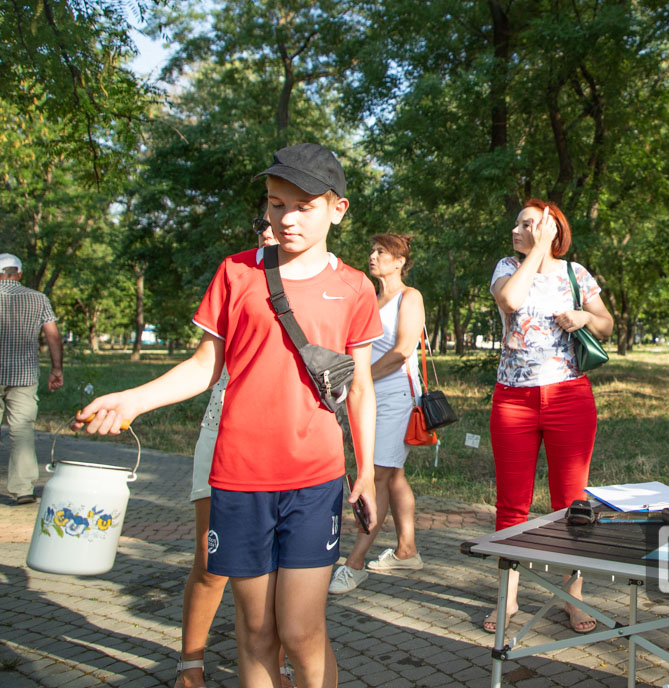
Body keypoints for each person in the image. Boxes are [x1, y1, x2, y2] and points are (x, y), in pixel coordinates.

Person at [77, 143, 382, 688]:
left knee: (300, 630)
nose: (286, 219)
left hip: (314, 478)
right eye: (275, 204)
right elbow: (203, 367)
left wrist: (367, 471)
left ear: (338, 209)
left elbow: (359, 387)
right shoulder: (236, 273)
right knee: (257, 631)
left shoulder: (355, 286)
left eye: (303, 207)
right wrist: (133, 401)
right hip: (240, 478)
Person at [486, 199, 614, 634]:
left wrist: (585, 316)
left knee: (571, 504)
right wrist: (537, 250)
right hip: (513, 400)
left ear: (551, 228)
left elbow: (606, 324)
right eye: (517, 222)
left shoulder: (576, 274)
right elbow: (510, 300)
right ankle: (508, 599)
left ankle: (572, 598)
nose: (516, 230)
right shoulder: (507, 267)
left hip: (569, 397)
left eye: (527, 224)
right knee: (512, 505)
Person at [175, 218, 292, 688]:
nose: (272, 226)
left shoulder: (328, 282)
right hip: (223, 431)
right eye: (266, 218)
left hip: (288, 444)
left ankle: (276, 665)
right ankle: (190, 664)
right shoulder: (237, 275)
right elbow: (205, 362)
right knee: (210, 563)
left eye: (287, 212)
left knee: (280, 569)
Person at [329, 233, 425, 594]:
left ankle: (354, 564)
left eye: (381, 252)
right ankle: (407, 551)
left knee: (378, 476)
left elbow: (402, 350)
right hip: (366, 396)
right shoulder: (367, 296)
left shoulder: (409, 297)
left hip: (396, 396)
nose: (372, 256)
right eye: (372, 250)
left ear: (399, 261)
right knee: (394, 474)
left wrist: (361, 377)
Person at [0, 253, 64, 505]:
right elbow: (53, 335)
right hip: (23, 375)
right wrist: (56, 369)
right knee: (22, 431)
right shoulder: (38, 298)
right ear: (19, 274)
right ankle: (23, 489)